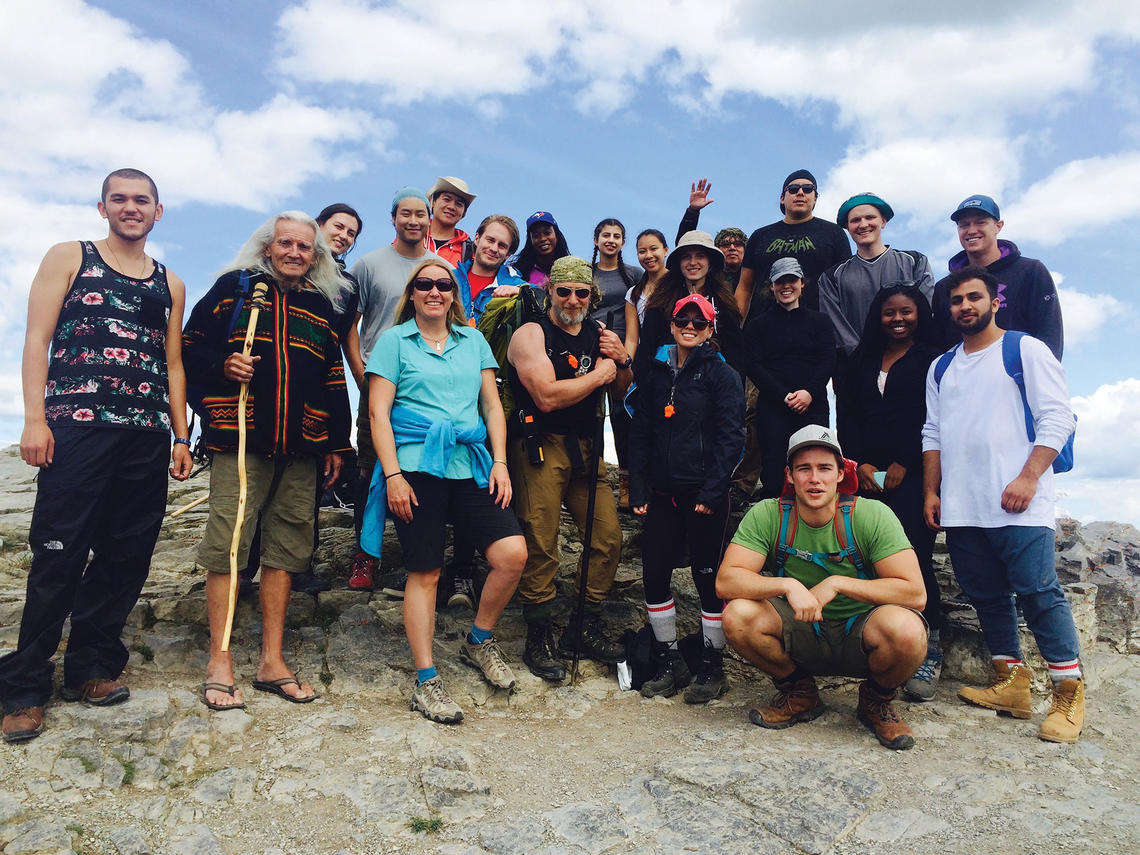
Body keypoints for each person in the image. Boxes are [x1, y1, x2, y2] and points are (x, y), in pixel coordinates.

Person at [1, 169, 193, 745]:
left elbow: (173, 363)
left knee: (126, 553)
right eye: (120, 199)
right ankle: (24, 688)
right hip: (77, 426)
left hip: (145, 434)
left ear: (158, 212)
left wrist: (180, 437)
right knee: (58, 552)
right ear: (104, 207)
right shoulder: (70, 256)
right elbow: (36, 339)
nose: (130, 208)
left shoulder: (170, 283)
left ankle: (91, 666)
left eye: (142, 201)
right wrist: (35, 419)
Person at [182, 211, 351, 712]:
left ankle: (272, 660)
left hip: (301, 448)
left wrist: (337, 443)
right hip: (240, 441)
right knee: (229, 545)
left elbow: (332, 375)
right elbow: (188, 349)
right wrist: (222, 367)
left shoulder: (321, 306)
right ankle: (220, 659)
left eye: (305, 247)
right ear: (268, 246)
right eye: (286, 244)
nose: (294, 253)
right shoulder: (233, 291)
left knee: (286, 548)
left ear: (316, 255)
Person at [923, 267, 1084, 743]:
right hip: (963, 504)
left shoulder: (1024, 349)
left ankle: (1067, 693)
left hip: (1019, 501)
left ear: (995, 302)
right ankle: (1010, 683)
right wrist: (933, 491)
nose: (965, 306)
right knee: (986, 595)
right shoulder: (941, 366)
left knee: (1038, 593)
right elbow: (932, 433)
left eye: (975, 297)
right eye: (957, 300)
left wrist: (1029, 477)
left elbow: (1058, 417)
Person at [364, 260, 526, 724]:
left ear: (454, 293)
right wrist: (393, 475)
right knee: (426, 573)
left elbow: (492, 406)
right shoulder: (394, 342)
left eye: (443, 285)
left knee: (511, 554)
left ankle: (479, 639)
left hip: (469, 463)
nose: (434, 291)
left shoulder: (472, 340)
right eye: (424, 284)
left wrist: (500, 462)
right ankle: (427, 679)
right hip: (415, 466)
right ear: (412, 293)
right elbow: (379, 415)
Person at [718, 426, 928, 751]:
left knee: (908, 631)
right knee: (738, 616)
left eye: (824, 468)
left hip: (861, 630)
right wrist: (786, 585)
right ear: (789, 476)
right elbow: (726, 581)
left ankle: (875, 701)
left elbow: (915, 593)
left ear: (842, 474)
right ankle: (799, 693)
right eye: (804, 469)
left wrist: (838, 583)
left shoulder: (871, 515)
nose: (814, 478)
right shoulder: (768, 515)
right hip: (801, 630)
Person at [506, 256, 633, 681]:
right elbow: (546, 395)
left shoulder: (599, 334)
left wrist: (622, 361)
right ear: (550, 293)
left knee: (608, 539)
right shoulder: (532, 333)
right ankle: (538, 631)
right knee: (540, 540)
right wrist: (601, 374)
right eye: (564, 291)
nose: (573, 299)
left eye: (582, 292)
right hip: (540, 447)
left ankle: (583, 623)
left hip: (588, 447)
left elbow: (621, 386)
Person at [240, 202, 364, 599]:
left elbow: (344, 342)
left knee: (305, 485)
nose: (343, 236)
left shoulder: (346, 286)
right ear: (319, 227)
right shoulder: (274, 272)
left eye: (351, 233)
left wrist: (361, 389)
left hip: (314, 389)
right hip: (263, 391)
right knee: (255, 488)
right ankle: (241, 568)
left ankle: (297, 567)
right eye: (337, 227)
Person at [629, 294, 745, 703]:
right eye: (683, 319)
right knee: (655, 574)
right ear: (673, 324)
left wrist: (713, 490)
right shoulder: (656, 373)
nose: (690, 326)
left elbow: (733, 436)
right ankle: (669, 660)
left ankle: (713, 668)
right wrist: (638, 487)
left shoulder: (723, 375)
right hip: (662, 493)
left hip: (704, 494)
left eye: (700, 321)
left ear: (711, 329)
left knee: (708, 579)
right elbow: (641, 432)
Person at [839, 285, 943, 699]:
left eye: (906, 312)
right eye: (888, 313)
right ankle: (877, 642)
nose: (897, 319)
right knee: (864, 555)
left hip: (914, 472)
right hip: (866, 473)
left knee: (913, 557)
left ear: (919, 314)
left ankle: (927, 647)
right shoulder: (860, 359)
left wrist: (906, 461)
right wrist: (859, 462)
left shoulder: (933, 360)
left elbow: (932, 417)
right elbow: (846, 414)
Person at [346, 188, 446, 591]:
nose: (414, 221)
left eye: (420, 214)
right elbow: (348, 326)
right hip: (379, 380)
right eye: (406, 214)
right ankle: (365, 556)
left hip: (425, 388)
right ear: (393, 218)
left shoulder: (438, 267)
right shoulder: (369, 265)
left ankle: (417, 559)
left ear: (429, 218)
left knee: (423, 471)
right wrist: (361, 373)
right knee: (371, 468)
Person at [741, 258, 835, 500]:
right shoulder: (757, 326)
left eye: (791, 280)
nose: (786, 286)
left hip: (812, 404)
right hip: (774, 405)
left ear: (802, 283)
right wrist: (783, 395)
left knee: (812, 461)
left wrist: (809, 393)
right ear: (771, 286)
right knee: (774, 469)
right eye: (779, 281)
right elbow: (754, 366)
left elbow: (827, 360)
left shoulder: (820, 321)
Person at [931, 195, 1063, 359]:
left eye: (980, 222)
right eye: (964, 225)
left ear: (998, 226)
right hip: (961, 380)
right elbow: (938, 343)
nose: (971, 230)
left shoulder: (1031, 271)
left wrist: (1043, 375)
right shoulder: (944, 287)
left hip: (1018, 378)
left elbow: (1049, 331)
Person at [817, 193, 934, 357]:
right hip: (856, 368)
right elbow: (836, 327)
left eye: (870, 217)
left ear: (883, 221)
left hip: (912, 362)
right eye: (855, 220)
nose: (863, 224)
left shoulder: (915, 262)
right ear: (848, 227)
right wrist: (865, 360)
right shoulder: (832, 278)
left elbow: (926, 312)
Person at [735, 169, 852, 319]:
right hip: (763, 330)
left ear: (815, 198)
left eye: (808, 189)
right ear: (782, 198)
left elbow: (845, 287)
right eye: (793, 189)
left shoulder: (834, 233)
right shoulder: (760, 236)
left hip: (818, 330)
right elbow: (744, 287)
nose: (801, 193)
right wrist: (736, 330)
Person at [634, 230, 744, 377]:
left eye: (700, 256)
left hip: (711, 383)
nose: (693, 262)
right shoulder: (662, 300)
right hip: (666, 380)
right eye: (686, 257)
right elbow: (647, 349)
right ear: (679, 263)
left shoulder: (723, 301)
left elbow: (736, 354)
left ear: (710, 261)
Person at [590, 218, 640, 510]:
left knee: (623, 417)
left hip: (624, 352)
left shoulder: (634, 274)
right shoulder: (586, 272)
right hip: (591, 350)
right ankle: (591, 475)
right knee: (593, 414)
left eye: (617, 236)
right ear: (596, 240)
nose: (611, 239)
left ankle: (626, 481)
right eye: (605, 235)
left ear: (623, 243)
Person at [454, 214, 527, 325]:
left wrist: (523, 293)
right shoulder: (449, 278)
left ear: (508, 254)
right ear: (477, 239)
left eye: (501, 245)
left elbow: (546, 302)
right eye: (490, 240)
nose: (493, 249)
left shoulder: (516, 286)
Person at [676, 178, 747, 288]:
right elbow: (685, 243)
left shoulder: (754, 277)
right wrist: (692, 212)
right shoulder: (707, 276)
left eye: (738, 244)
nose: (732, 248)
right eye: (725, 245)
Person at [623, 228, 669, 363]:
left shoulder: (679, 282)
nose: (648, 255)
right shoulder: (633, 293)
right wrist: (627, 367)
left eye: (654, 249)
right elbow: (632, 339)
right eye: (642, 251)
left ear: (665, 250)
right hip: (648, 359)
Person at [425, 176, 476, 266]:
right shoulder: (415, 235)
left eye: (459, 204)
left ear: (464, 213)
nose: (451, 207)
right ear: (433, 202)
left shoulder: (467, 250)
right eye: (446, 199)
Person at [511, 211, 570, 286]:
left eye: (547, 233)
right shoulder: (516, 270)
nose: (542, 239)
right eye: (536, 235)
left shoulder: (570, 269)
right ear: (530, 240)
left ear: (556, 234)